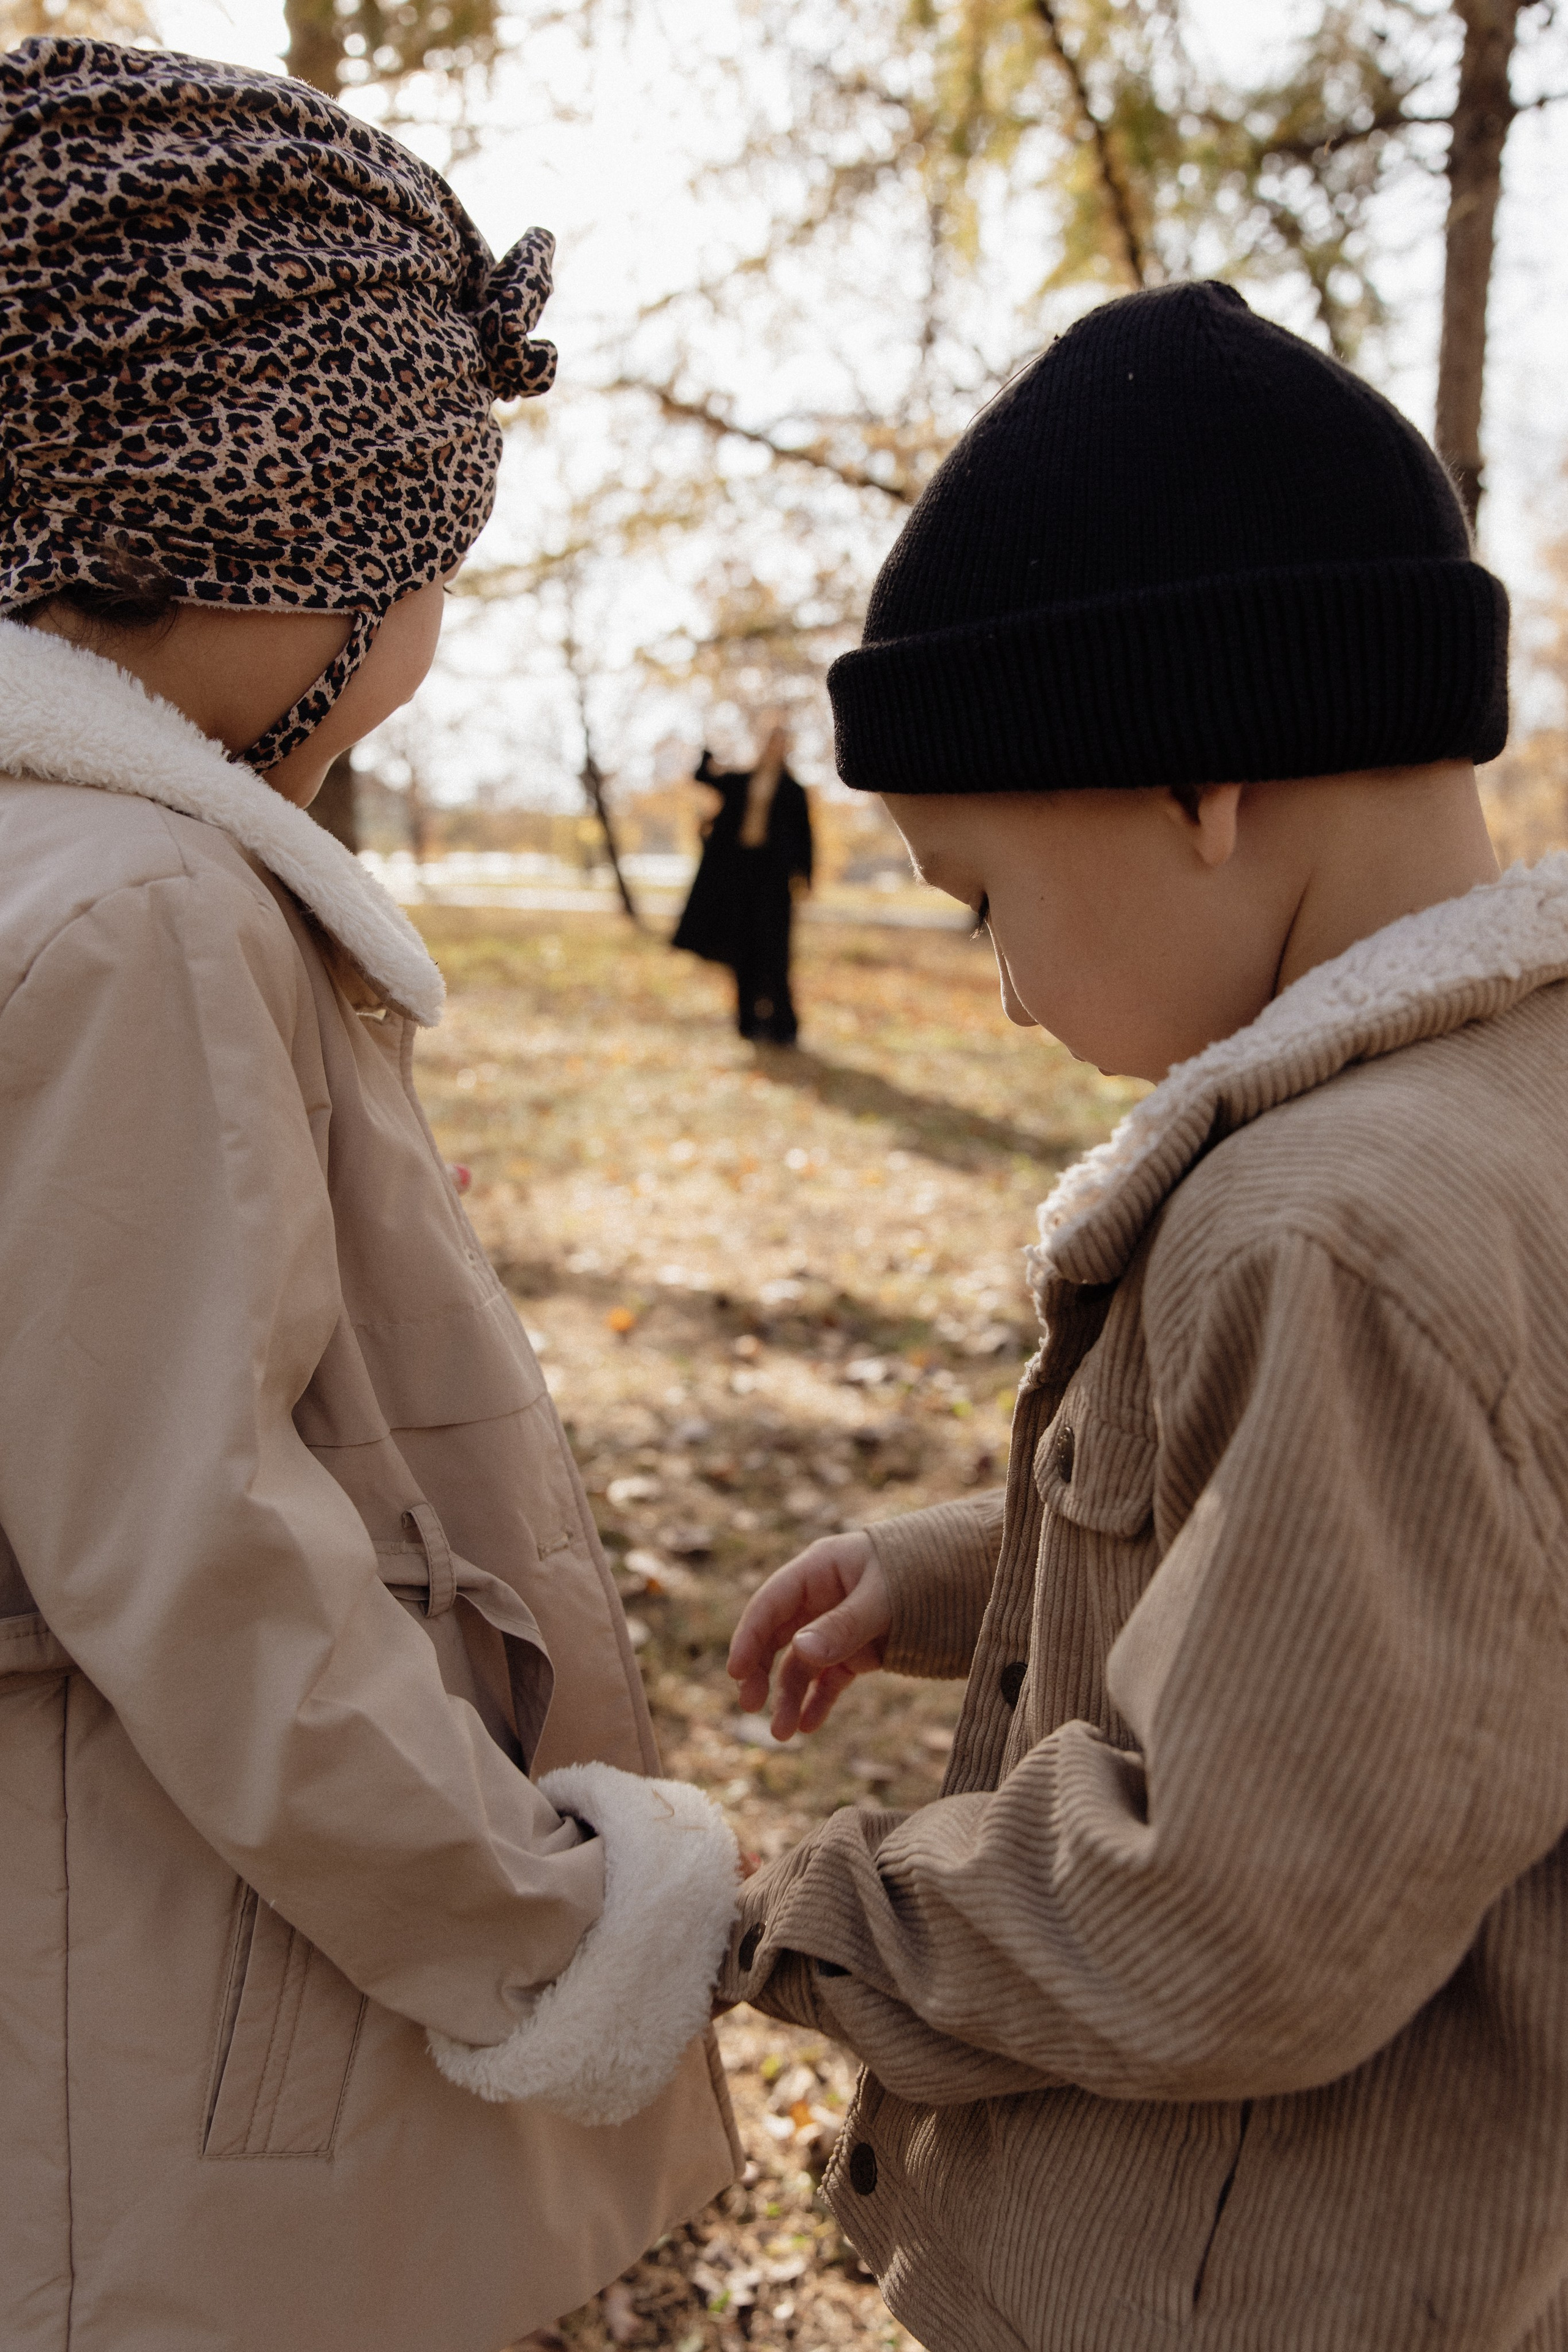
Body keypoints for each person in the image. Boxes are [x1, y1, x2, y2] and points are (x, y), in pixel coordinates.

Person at [720, 282, 1568, 2352]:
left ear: (1198, 780)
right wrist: (954, 1573)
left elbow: (1240, 1915)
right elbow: (1443, 1589)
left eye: (982, 896)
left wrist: (786, 1916)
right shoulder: (1512, 1112)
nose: (1001, 987)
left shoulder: (1329, 1224)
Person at [0, 40, 740, 2352]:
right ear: (276, 545)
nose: (424, 646)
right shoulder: (136, 911)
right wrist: (540, 1925)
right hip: (171, 2029)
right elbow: (197, 1548)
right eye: (426, 563)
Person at [672, 721, 813, 1042]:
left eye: (783, 741)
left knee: (775, 951)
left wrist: (805, 876)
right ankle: (747, 1022)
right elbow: (703, 777)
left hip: (774, 878)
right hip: (739, 874)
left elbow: (805, 836)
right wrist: (707, 746)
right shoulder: (741, 781)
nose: (776, 747)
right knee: (744, 948)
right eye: (772, 740)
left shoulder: (793, 789)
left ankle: (782, 1026)